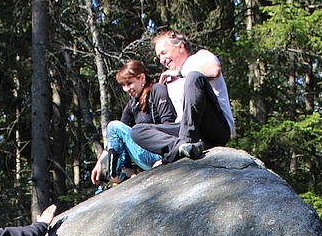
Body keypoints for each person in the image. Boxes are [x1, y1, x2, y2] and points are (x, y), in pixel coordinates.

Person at [130, 29, 234, 165]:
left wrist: (179, 72)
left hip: (215, 128)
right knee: (137, 131)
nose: (162, 60)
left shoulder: (200, 57)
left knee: (194, 77)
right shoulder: (169, 80)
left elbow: (214, 70)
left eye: (164, 53)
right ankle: (180, 148)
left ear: (180, 46)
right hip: (185, 128)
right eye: (159, 56)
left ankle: (186, 143)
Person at [90, 60, 175, 188]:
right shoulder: (132, 105)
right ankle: (124, 171)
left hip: (161, 153)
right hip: (146, 155)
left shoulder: (158, 90)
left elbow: (170, 126)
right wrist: (99, 163)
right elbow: (115, 138)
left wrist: (166, 158)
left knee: (114, 126)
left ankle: (116, 176)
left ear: (141, 77)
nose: (126, 89)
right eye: (123, 85)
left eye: (129, 83)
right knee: (115, 130)